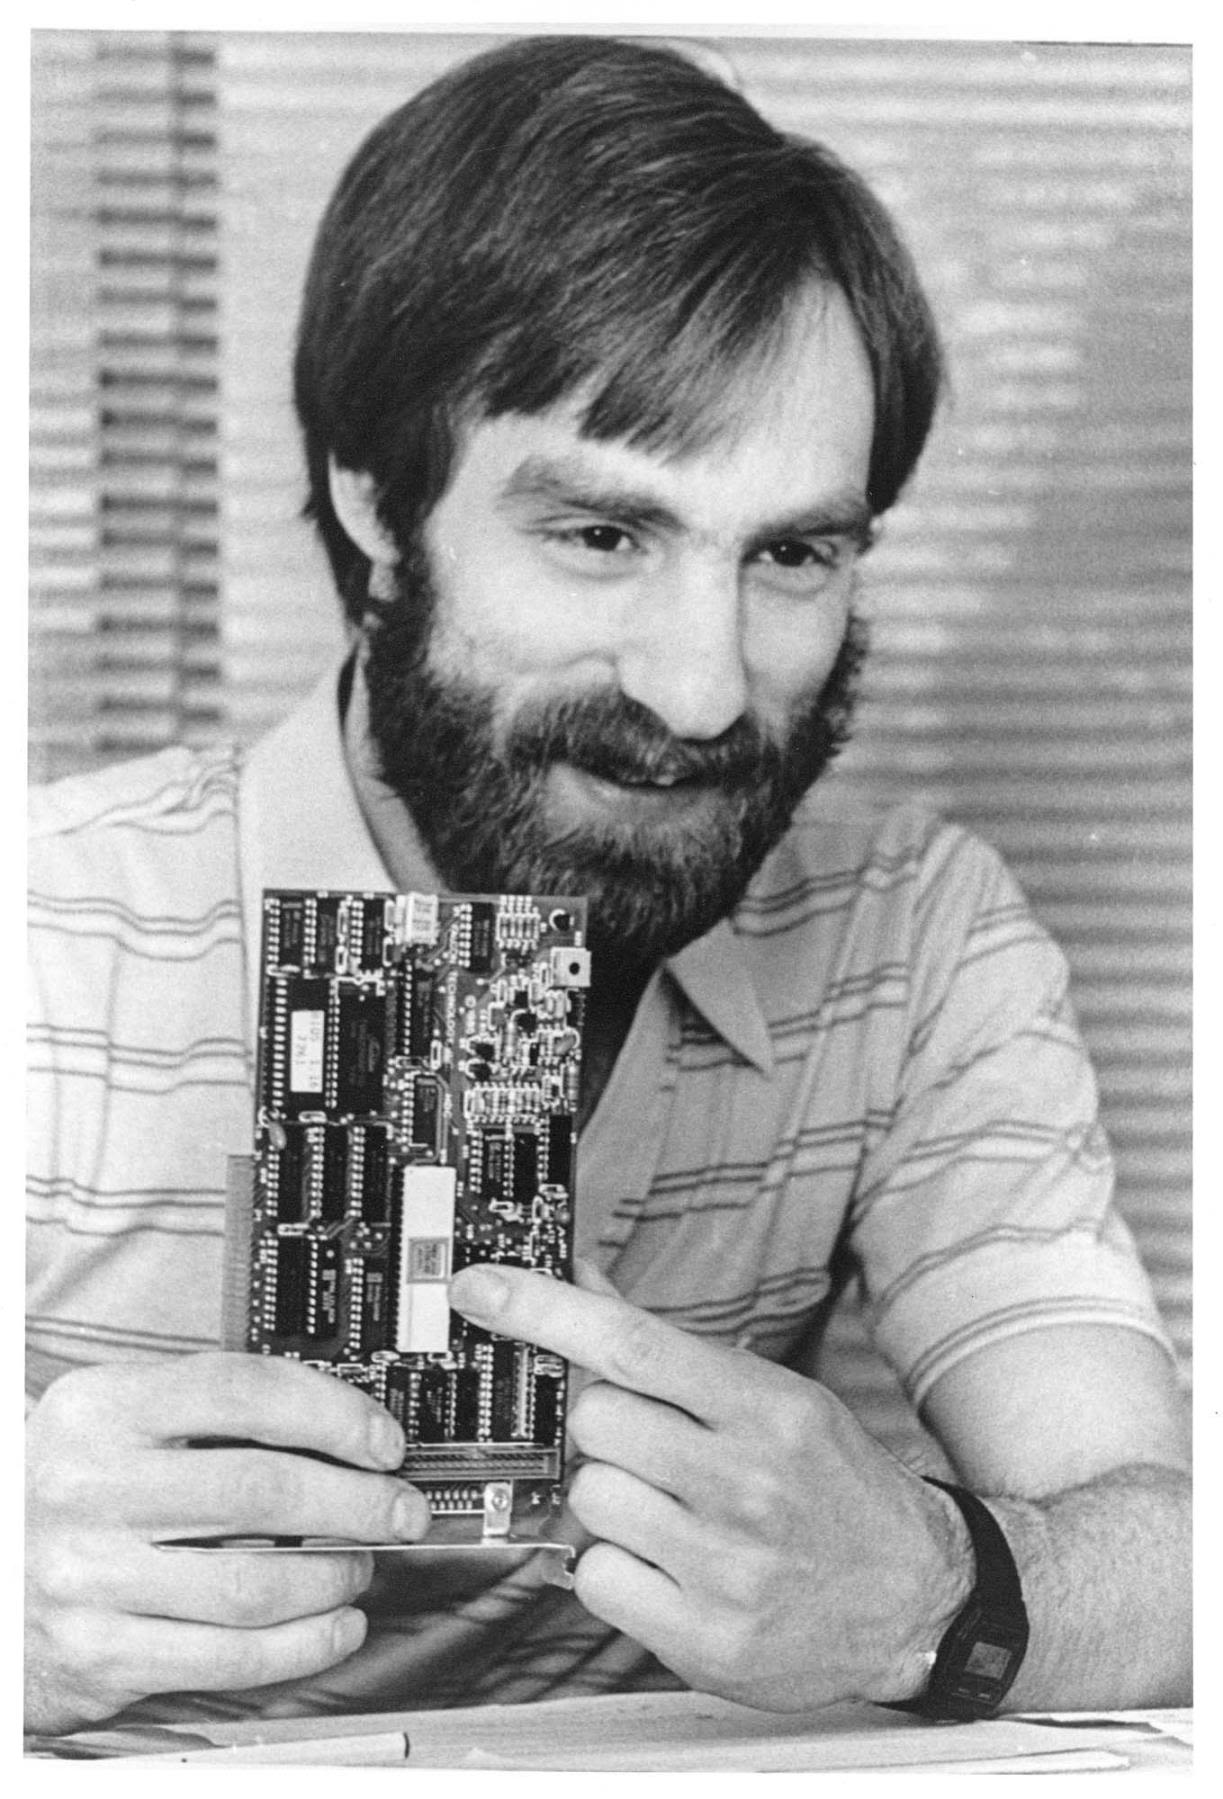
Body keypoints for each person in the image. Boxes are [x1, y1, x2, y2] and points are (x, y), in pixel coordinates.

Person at [26, 34, 1189, 1737]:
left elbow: (1166, 1558)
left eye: (791, 554)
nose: (703, 691)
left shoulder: (914, 941)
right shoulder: (44, 936)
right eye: (603, 535)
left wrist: (940, 1595)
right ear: (375, 500)